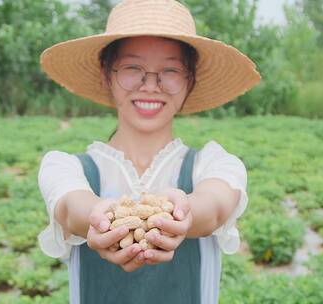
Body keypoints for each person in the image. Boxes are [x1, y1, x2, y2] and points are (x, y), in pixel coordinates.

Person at [37, 0, 260, 303]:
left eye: (170, 71)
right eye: (132, 68)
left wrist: (184, 214)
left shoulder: (213, 164)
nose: (150, 86)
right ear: (106, 74)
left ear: (189, 81)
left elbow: (215, 206)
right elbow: (69, 207)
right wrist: (97, 218)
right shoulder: (65, 168)